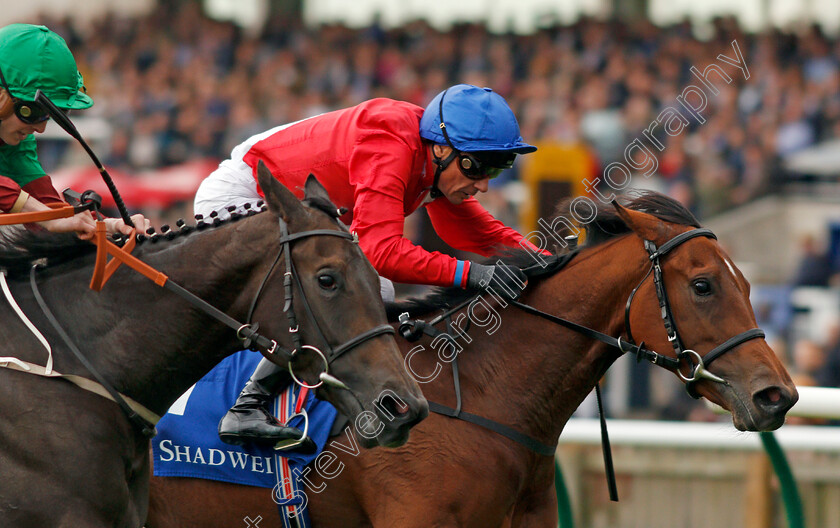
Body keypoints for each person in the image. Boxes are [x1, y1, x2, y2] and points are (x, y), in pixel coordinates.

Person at [194, 84, 545, 447]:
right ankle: (248, 406)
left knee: (365, 284)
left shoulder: (432, 159)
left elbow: (482, 234)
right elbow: (383, 253)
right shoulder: (392, 141)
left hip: (287, 209)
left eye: (498, 168)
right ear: (441, 148)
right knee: (368, 286)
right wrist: (476, 275)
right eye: (477, 166)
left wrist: (551, 264)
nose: (484, 184)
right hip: (244, 197)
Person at [0, 23, 147, 238]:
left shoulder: (15, 138)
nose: (40, 128)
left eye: (50, 115)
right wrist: (47, 216)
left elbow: (50, 209)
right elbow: (43, 214)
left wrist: (109, 225)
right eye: (33, 111)